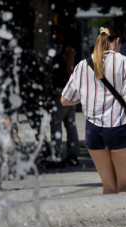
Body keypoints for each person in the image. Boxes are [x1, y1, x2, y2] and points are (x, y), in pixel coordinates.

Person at [60, 27, 126, 194]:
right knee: (125, 187)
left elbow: (65, 100)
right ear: (117, 41)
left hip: (93, 130)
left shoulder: (83, 64)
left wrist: (88, 95)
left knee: (108, 187)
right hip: (119, 126)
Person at [48, 26, 80, 167]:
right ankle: (72, 154)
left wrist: (53, 69)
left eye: (56, 33)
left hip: (64, 91)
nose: (54, 36)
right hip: (70, 91)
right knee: (70, 123)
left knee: (56, 122)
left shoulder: (68, 50)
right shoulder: (63, 49)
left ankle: (56, 155)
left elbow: (68, 70)